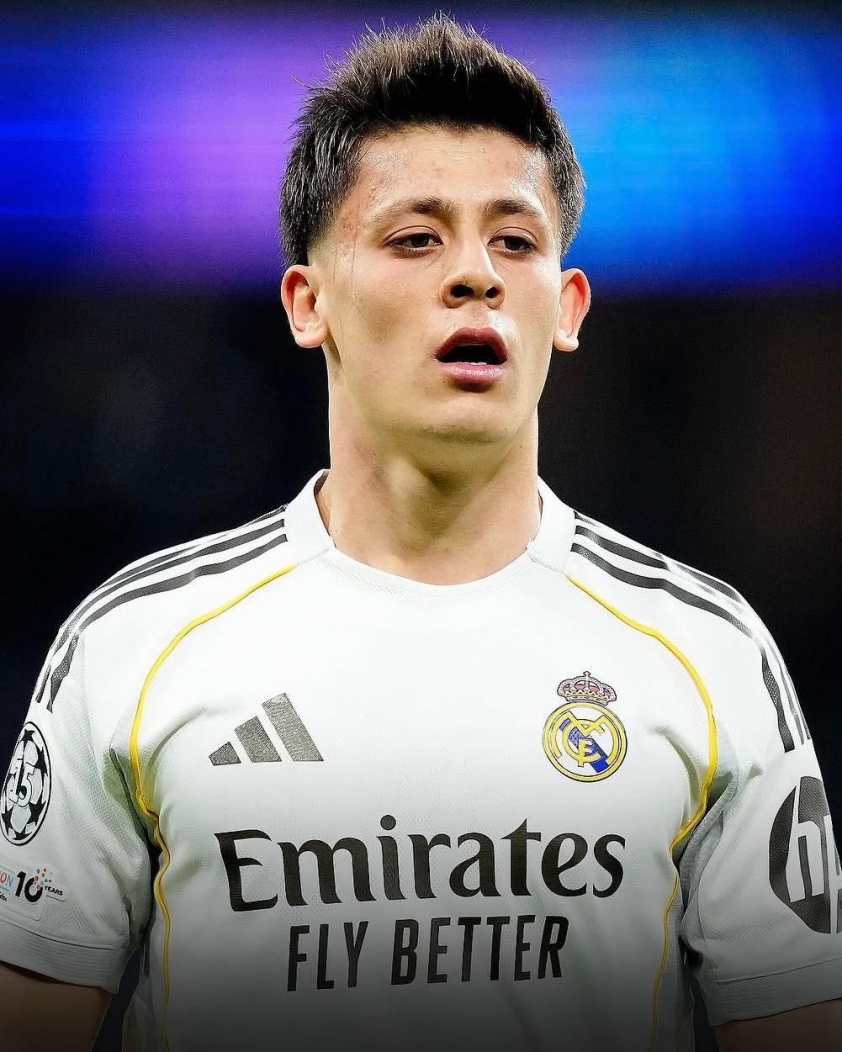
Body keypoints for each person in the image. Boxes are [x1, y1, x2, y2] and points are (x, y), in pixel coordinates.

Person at [0, 13, 839, 1052]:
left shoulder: (708, 652)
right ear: (307, 302)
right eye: (415, 237)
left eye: (515, 241)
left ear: (567, 306)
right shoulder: (132, 645)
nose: (475, 274)